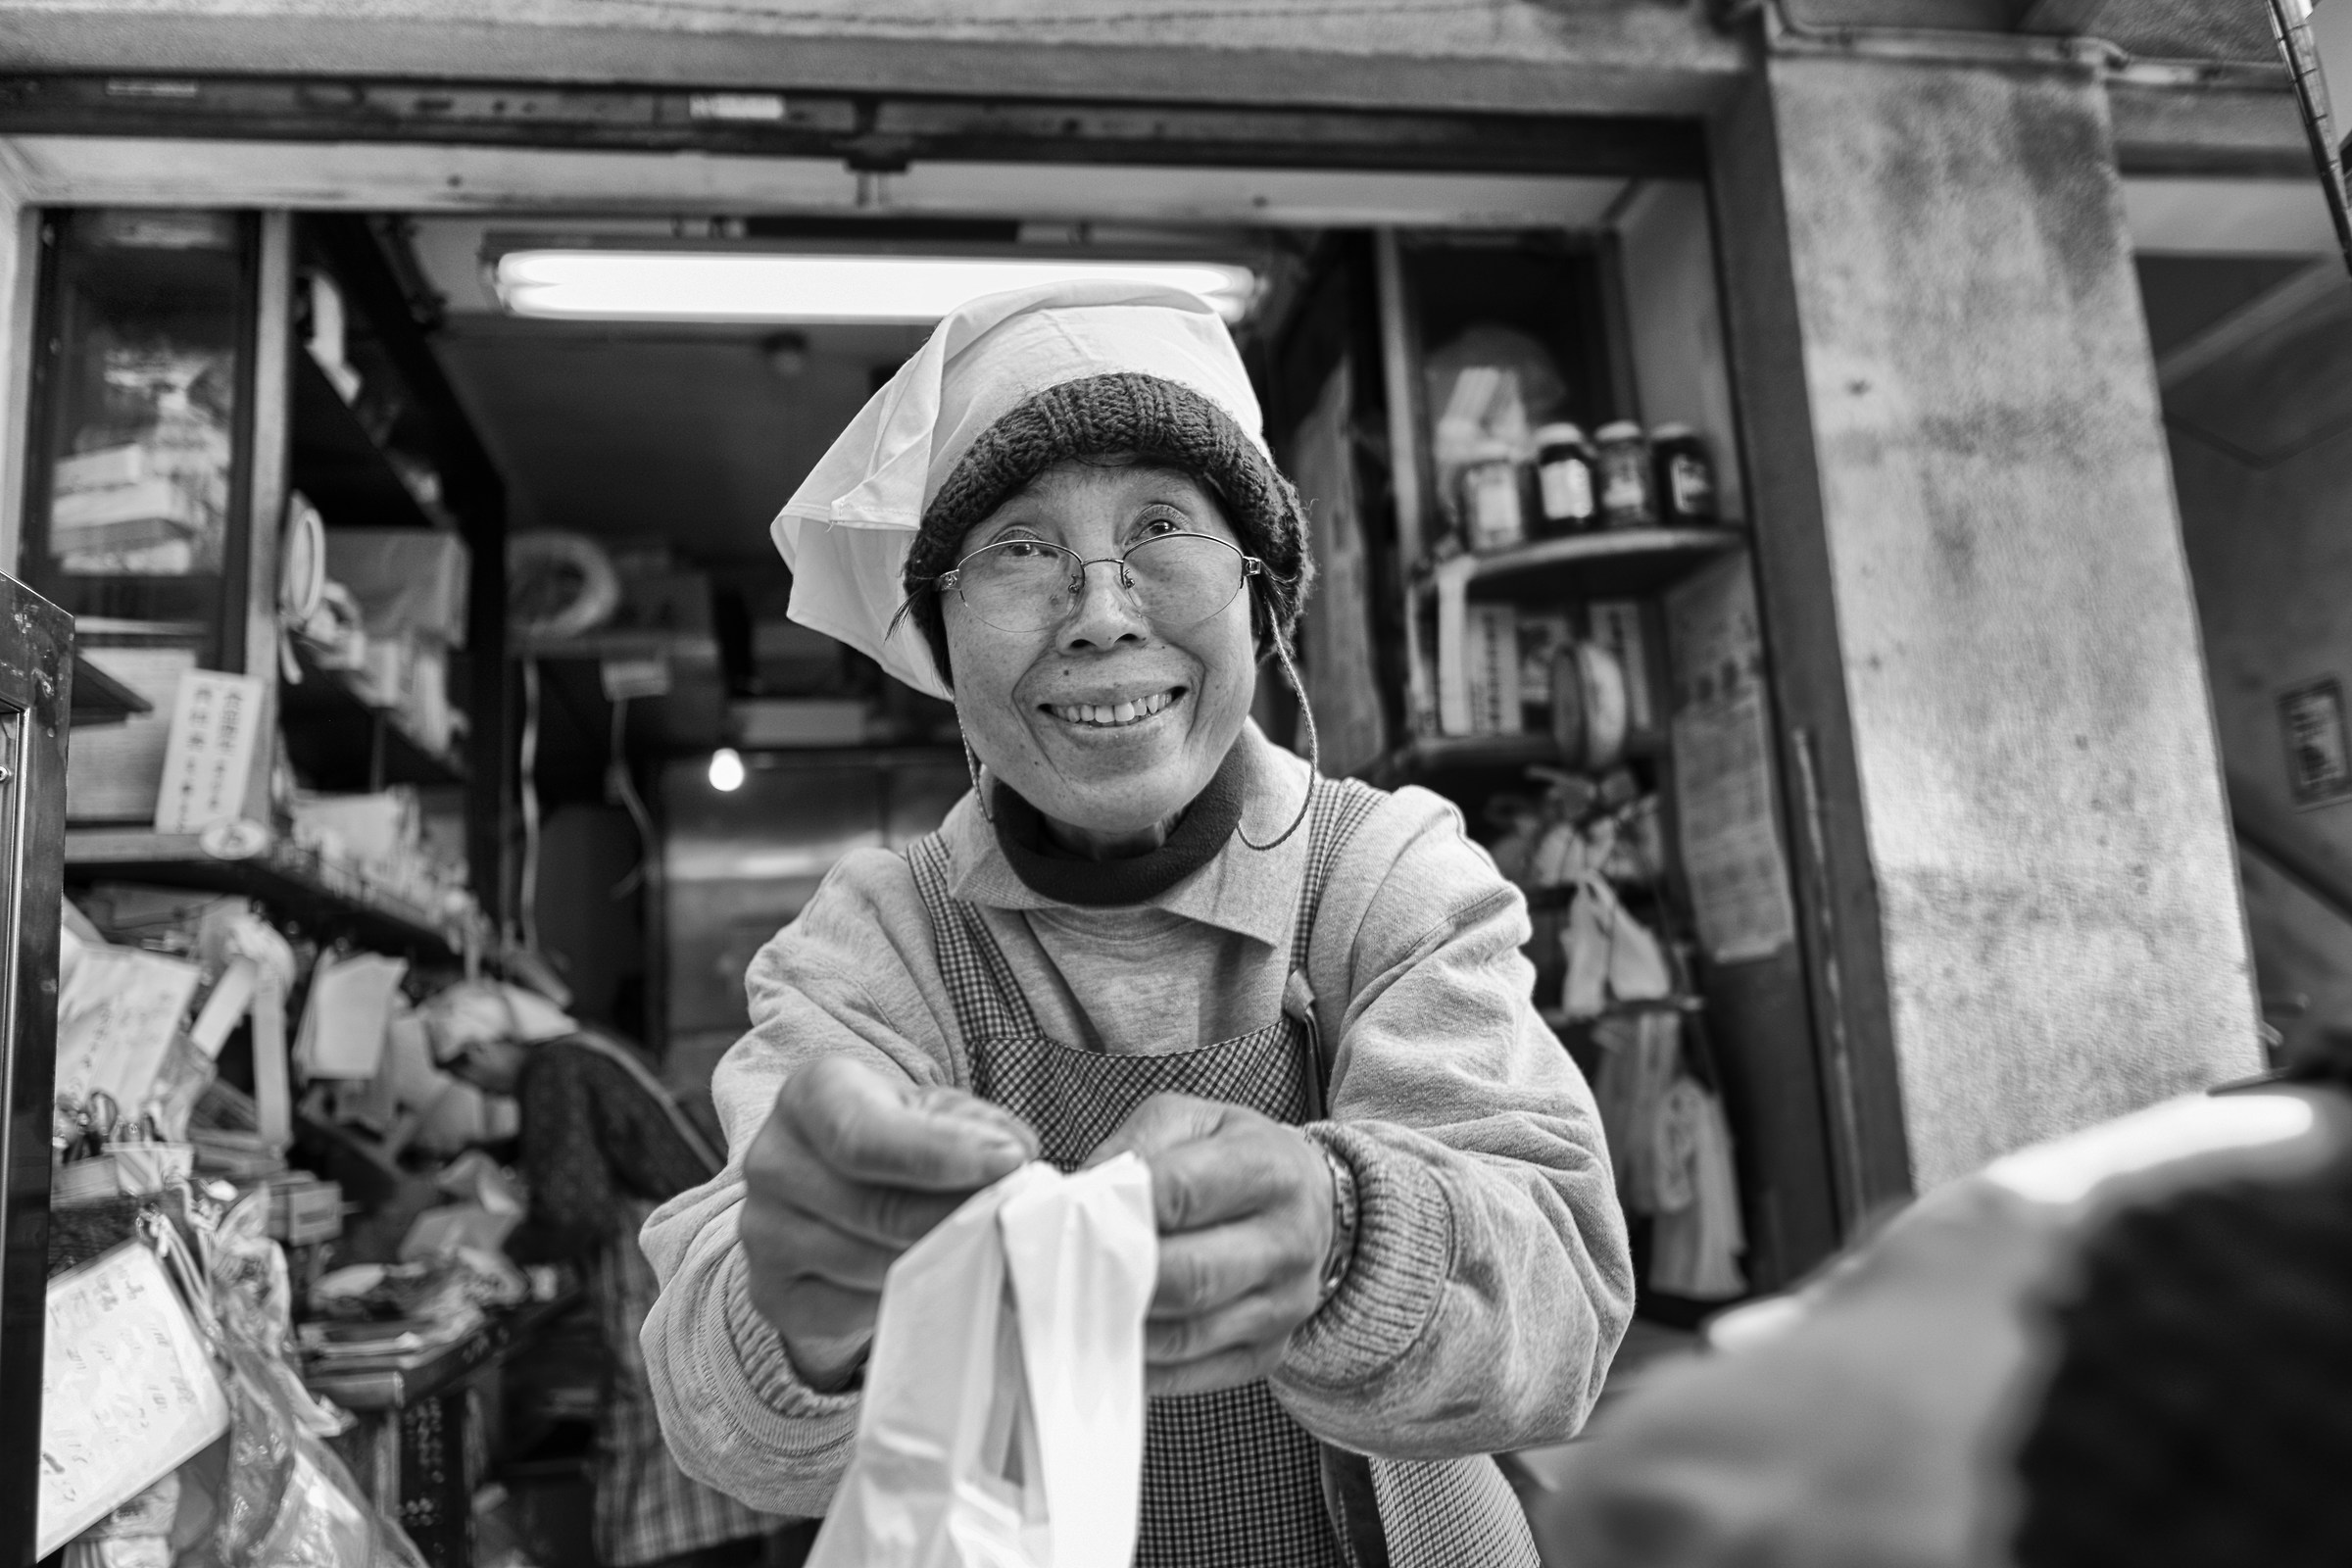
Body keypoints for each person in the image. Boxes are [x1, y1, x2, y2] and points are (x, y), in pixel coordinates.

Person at [640, 280, 1633, 1566]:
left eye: (1163, 526)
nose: (1102, 611)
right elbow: (721, 1421)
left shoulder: (1386, 872)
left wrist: (1349, 1231)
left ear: (1263, 594)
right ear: (940, 629)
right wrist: (807, 1317)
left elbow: (1561, 1308)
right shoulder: (880, 942)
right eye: (1018, 548)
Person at [427, 981, 805, 1568]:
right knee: (706, 1424)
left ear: (481, 1050)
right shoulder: (588, 1047)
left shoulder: (551, 1070)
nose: (478, 1086)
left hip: (658, 1271)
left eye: (468, 1072)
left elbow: (575, 1206)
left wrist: (503, 1249)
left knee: (657, 1417)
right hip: (711, 1260)